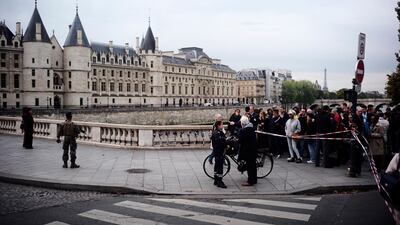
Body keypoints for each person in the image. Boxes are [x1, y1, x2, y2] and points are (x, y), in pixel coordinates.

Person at [238, 115, 258, 186]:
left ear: (243, 123)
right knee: (253, 165)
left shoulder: (245, 130)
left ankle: (250, 181)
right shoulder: (251, 127)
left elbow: (241, 140)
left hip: (248, 150)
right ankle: (254, 179)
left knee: (250, 166)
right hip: (253, 149)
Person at [210, 120, 227, 188]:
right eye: (222, 124)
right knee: (220, 167)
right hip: (219, 152)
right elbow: (220, 142)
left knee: (217, 166)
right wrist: (225, 143)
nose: (223, 126)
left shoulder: (218, 132)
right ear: (218, 125)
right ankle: (219, 181)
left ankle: (216, 180)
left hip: (217, 151)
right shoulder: (217, 133)